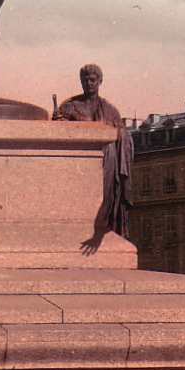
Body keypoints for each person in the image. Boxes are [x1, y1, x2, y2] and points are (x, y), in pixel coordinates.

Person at [54, 64, 132, 240]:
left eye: (93, 80)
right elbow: (58, 131)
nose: (89, 83)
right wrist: (58, 123)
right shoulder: (70, 107)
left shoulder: (111, 110)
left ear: (100, 81)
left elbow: (122, 136)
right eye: (85, 80)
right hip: (79, 168)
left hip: (105, 166)